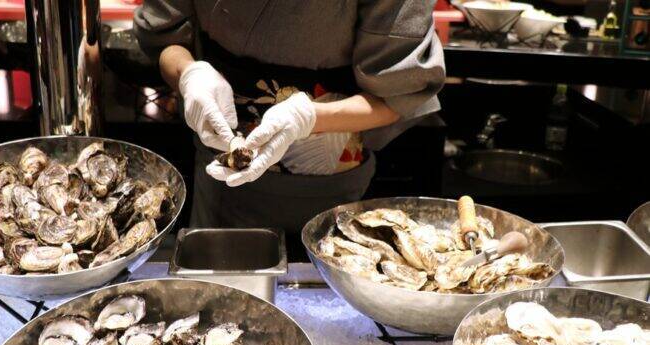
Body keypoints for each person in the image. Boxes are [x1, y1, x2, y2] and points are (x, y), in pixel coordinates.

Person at [134, 1, 445, 233]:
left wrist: (310, 118)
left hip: (331, 186)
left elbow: (400, 94)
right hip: (220, 178)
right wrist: (188, 73)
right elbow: (165, 36)